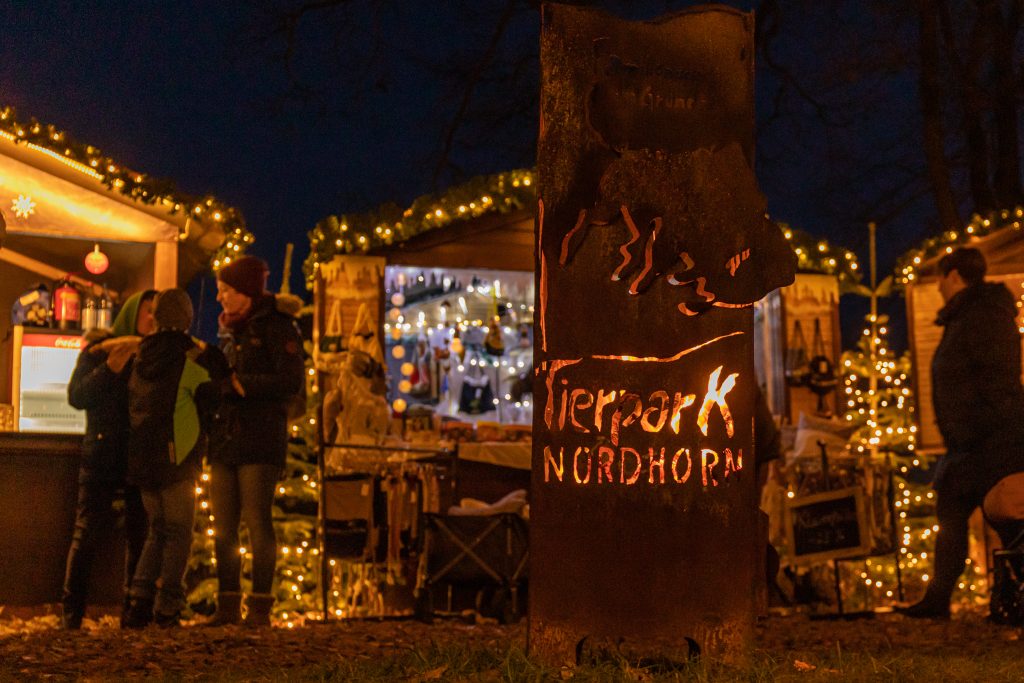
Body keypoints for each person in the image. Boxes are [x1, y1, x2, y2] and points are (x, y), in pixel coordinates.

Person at [897, 247, 1024, 618]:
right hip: (969, 443)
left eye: (940, 278)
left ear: (953, 276)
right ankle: (941, 599)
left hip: (993, 440)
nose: (937, 287)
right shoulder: (966, 315)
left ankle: (1009, 596)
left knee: (1005, 519)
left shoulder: (983, 315)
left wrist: (992, 427)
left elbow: (998, 377)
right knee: (952, 513)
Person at [122, 289, 229, 628]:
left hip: (142, 459)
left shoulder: (142, 356)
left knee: (157, 530)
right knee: (180, 532)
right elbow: (216, 392)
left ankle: (138, 601)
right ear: (186, 319)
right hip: (177, 456)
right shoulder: (187, 358)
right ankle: (168, 606)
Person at [206, 256, 304, 627]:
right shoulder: (229, 332)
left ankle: (259, 607)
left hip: (260, 437)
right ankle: (227, 604)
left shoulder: (278, 328)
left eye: (226, 291)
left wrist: (241, 385)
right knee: (224, 524)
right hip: (226, 437)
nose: (220, 299)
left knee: (257, 521)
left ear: (245, 293)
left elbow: (289, 382)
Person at [62, 290, 155, 629]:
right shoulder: (100, 351)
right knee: (86, 534)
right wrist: (111, 369)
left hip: (140, 458)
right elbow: (77, 396)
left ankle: (134, 615)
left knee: (140, 535)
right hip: (102, 455)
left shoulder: (155, 356)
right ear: (132, 313)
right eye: (148, 311)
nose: (153, 318)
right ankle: (71, 615)